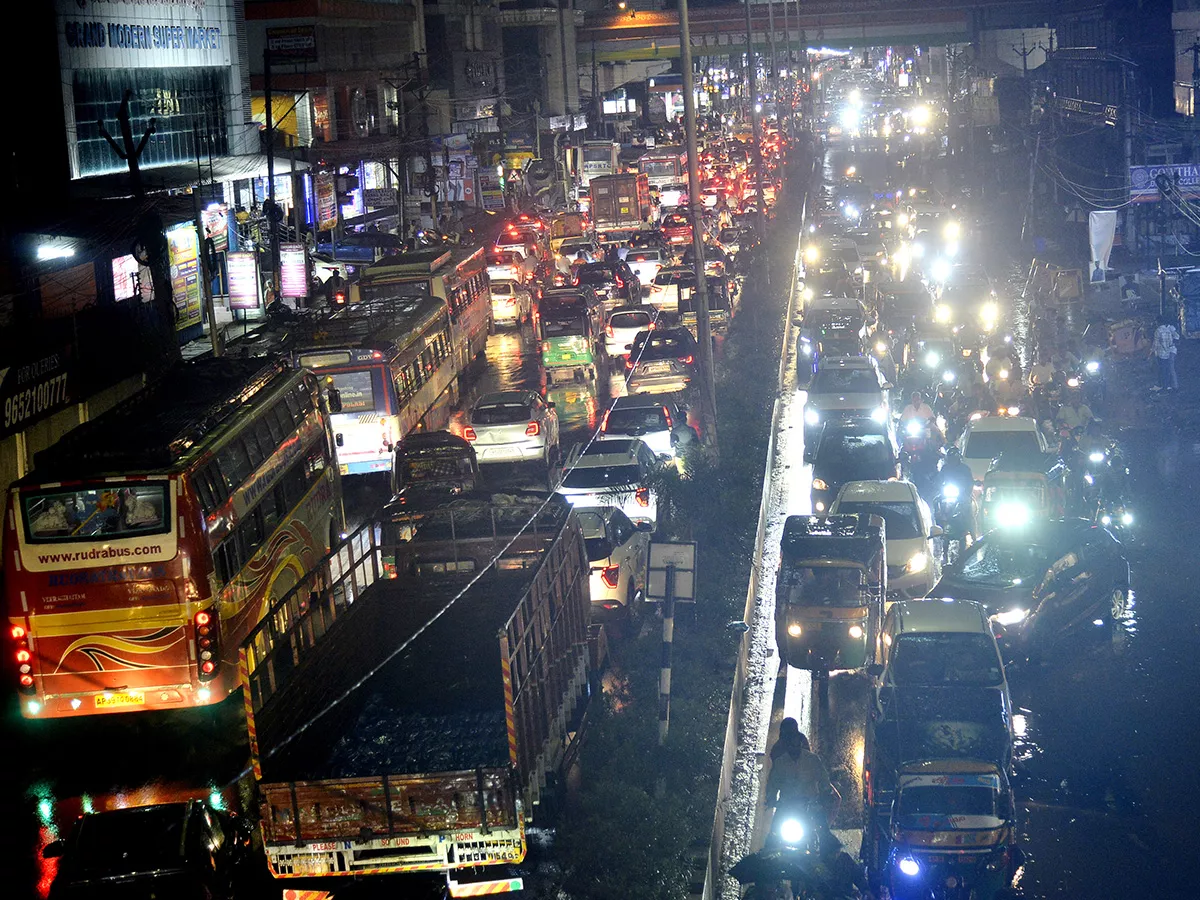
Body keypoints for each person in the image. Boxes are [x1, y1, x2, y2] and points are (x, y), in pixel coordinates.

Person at [765, 719, 838, 851]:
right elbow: (773, 782)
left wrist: (826, 792)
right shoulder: (779, 760)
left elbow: (823, 778)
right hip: (787, 804)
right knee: (772, 838)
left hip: (810, 803)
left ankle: (828, 855)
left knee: (825, 835)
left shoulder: (812, 759)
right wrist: (770, 798)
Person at [1151, 314, 1180, 392]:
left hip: (1166, 352)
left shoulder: (1161, 330)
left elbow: (1156, 344)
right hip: (1171, 351)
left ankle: (1168, 386)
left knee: (1165, 369)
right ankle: (1172, 385)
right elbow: (1177, 337)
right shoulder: (1169, 328)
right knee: (1169, 368)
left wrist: (1151, 353)